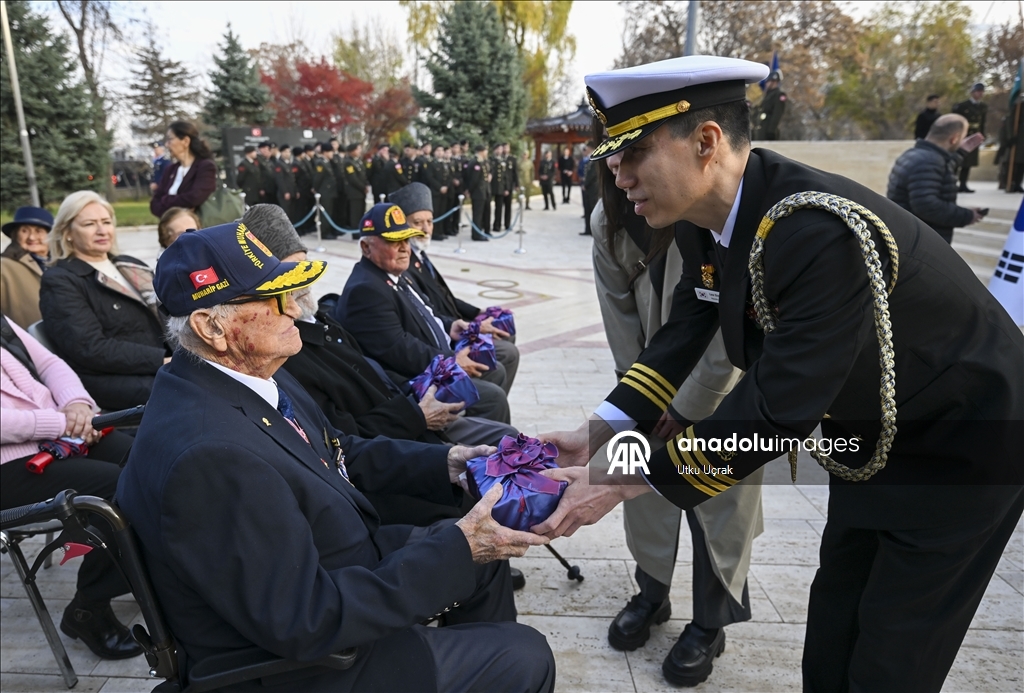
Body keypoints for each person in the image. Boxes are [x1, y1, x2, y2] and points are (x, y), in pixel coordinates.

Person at [537, 55, 1022, 692]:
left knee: (892, 657)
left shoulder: (814, 229)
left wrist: (621, 482)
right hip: (872, 445)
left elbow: (775, 411)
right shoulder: (709, 219)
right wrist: (600, 429)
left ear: (706, 142)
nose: (615, 173)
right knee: (831, 637)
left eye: (631, 154)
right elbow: (687, 329)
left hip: (962, 448)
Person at [116, 220, 555, 693]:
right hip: (311, 666)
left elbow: (339, 450)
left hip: (340, 565)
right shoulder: (210, 455)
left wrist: (448, 462)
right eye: (275, 297)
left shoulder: (247, 373)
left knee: (481, 565)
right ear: (211, 327)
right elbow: (304, 620)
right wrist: (458, 548)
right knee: (525, 655)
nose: (296, 306)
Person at [591, 160, 764, 686]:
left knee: (719, 505)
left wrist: (691, 399)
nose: (626, 178)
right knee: (637, 492)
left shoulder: (717, 213)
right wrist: (638, 399)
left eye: (637, 160)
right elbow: (616, 308)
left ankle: (712, 622)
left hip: (720, 387)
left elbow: (724, 321)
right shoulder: (610, 217)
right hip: (646, 379)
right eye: (616, 165)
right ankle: (651, 593)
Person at [1, 314, 142, 660]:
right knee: (117, 493)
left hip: (60, 435)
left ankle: (154, 573)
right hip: (11, 462)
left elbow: (49, 363)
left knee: (151, 464)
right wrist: (62, 421)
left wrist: (78, 405)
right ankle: (88, 608)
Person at [332, 204, 513, 424]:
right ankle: (480, 450)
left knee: (497, 367)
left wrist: (450, 326)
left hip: (435, 359)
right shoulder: (366, 289)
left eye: (406, 240)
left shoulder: (392, 273)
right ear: (366, 247)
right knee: (492, 399)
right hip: (414, 381)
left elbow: (425, 312)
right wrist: (452, 360)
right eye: (393, 241)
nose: (404, 248)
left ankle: (486, 435)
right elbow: (399, 349)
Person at [40, 191, 169, 410]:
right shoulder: (60, 280)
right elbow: (90, 348)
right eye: (89, 224)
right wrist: (162, 360)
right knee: (203, 388)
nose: (101, 230)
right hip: (112, 379)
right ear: (67, 232)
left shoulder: (130, 264)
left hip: (163, 363)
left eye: (106, 222)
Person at [389, 182, 520, 393]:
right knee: (506, 355)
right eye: (417, 223)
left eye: (430, 222)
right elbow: (428, 313)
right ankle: (492, 415)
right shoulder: (403, 263)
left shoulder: (420, 254)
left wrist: (478, 313)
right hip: (444, 341)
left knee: (505, 334)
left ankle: (494, 413)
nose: (425, 229)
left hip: (453, 327)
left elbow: (445, 296)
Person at [887, 114, 986, 244]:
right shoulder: (929, 161)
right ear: (954, 139)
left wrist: (961, 152)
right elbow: (927, 206)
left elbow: (938, 171)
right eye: (962, 137)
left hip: (910, 236)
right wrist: (967, 216)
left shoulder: (916, 154)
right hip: (921, 243)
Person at [149, 121, 217, 218]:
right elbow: (154, 204)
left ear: (185, 141)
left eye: (170, 139)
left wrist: (165, 200)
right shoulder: (170, 170)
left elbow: (195, 197)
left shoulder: (205, 167)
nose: (167, 145)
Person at [1, 206, 53, 328]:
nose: (32, 237)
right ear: (15, 235)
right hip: (26, 343)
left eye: (38, 231)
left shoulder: (63, 262)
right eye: (24, 231)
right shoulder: (4, 267)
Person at [952, 83, 988, 193]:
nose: (980, 93)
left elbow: (982, 122)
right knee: (957, 161)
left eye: (981, 91)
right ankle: (952, 183)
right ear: (972, 92)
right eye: (978, 91)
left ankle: (963, 184)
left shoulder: (983, 107)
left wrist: (982, 135)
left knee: (968, 162)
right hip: (963, 135)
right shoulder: (962, 106)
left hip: (974, 136)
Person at [463, 144, 492, 242]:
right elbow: (473, 180)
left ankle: (480, 231)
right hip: (478, 193)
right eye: (485, 151)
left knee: (482, 214)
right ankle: (476, 235)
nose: (486, 153)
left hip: (483, 192)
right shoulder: (475, 162)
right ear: (481, 151)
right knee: (477, 215)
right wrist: (470, 191)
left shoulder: (482, 162)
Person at [311, 144, 339, 239]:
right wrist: (315, 188)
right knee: (325, 212)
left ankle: (328, 230)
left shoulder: (327, 162)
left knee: (329, 212)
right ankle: (324, 232)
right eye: (331, 152)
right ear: (325, 152)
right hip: (325, 192)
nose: (332, 154)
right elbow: (318, 178)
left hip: (330, 191)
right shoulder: (320, 163)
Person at [342, 142, 370, 230]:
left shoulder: (357, 161)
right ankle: (355, 230)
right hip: (354, 191)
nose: (360, 151)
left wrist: (366, 185)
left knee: (361, 211)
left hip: (360, 192)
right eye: (358, 149)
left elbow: (363, 175)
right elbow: (353, 179)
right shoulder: (348, 163)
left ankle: (360, 228)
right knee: (355, 213)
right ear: (352, 151)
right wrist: (363, 187)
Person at [753, 69, 786, 140]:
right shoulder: (768, 94)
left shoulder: (779, 95)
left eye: (768, 81)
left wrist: (771, 130)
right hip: (761, 129)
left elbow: (777, 114)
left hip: (769, 129)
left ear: (774, 82)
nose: (766, 83)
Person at [580, 143, 598, 236]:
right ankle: (587, 229)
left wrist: (585, 184)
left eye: (587, 149)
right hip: (587, 187)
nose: (585, 151)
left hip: (593, 188)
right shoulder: (588, 159)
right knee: (587, 209)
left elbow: (593, 174)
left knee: (592, 209)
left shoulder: (596, 158)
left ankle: (593, 230)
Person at [491, 144, 509, 233]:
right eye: (498, 149)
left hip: (500, 187)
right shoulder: (491, 160)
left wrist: (506, 188)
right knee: (486, 207)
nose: (499, 151)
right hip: (491, 186)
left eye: (501, 149)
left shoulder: (504, 161)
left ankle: (497, 224)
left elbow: (505, 176)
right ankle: (484, 223)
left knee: (499, 207)